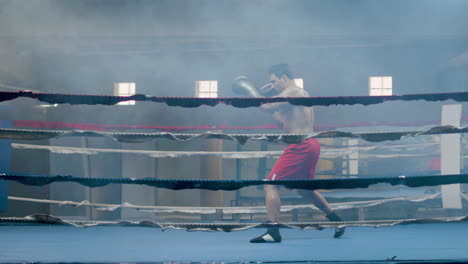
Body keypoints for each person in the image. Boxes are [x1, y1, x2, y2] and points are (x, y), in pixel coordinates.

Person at [248, 63, 345, 243]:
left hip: (301, 145)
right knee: (305, 191)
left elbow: (267, 107)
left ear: (284, 78)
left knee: (271, 184)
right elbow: (281, 121)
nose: (272, 85)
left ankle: (273, 231)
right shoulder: (293, 98)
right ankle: (337, 220)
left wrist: (252, 92)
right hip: (308, 144)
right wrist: (270, 101)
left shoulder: (293, 91)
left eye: (274, 81)